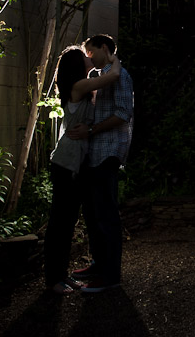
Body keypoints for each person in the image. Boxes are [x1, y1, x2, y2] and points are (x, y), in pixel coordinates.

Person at [44, 45, 121, 295]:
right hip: (66, 164)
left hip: (75, 165)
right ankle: (54, 279)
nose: (89, 59)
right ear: (77, 65)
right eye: (84, 58)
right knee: (60, 225)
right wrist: (113, 57)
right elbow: (113, 76)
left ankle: (61, 276)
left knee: (67, 223)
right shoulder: (78, 87)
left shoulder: (82, 89)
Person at [69, 34, 134, 293]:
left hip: (108, 151)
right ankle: (98, 265)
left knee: (106, 216)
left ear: (104, 48)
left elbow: (122, 113)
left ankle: (110, 276)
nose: (89, 56)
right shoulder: (100, 76)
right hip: (95, 151)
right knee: (94, 214)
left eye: (91, 51)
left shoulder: (121, 75)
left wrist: (92, 130)